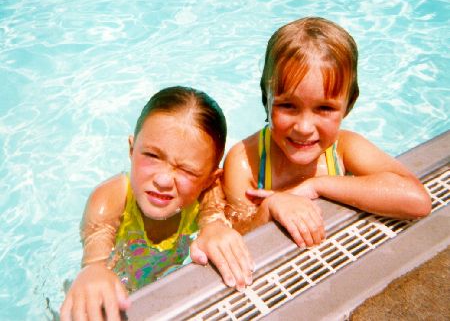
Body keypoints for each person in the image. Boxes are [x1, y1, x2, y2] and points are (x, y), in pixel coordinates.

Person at [191, 16, 432, 289]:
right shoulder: (246, 160)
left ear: (348, 106)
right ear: (266, 99)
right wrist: (270, 207)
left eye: (325, 109)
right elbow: (240, 240)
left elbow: (417, 201)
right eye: (288, 106)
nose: (304, 128)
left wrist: (317, 185)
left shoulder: (344, 148)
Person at [60, 86, 230, 320]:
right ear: (131, 149)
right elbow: (95, 262)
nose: (162, 180)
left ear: (208, 180)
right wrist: (94, 268)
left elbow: (216, 209)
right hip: (122, 288)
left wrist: (214, 225)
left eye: (187, 170)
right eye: (152, 156)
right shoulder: (111, 199)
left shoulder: (207, 194)